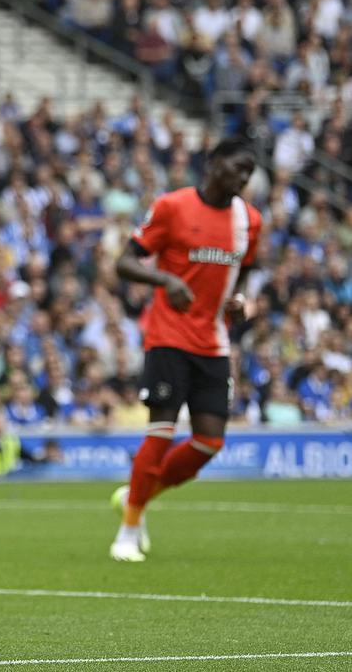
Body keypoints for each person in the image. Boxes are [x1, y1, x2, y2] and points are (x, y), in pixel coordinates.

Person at [109, 138, 261, 563]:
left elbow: (244, 275)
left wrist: (241, 302)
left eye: (249, 172)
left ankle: (136, 496)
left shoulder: (250, 220)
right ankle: (129, 530)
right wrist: (166, 281)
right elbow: (125, 262)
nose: (244, 179)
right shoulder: (172, 207)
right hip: (168, 336)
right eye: (238, 168)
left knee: (210, 442)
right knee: (161, 430)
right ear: (213, 165)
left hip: (214, 341)